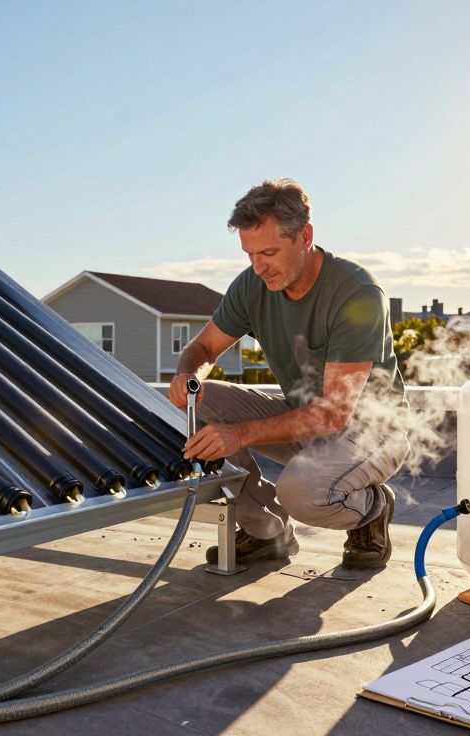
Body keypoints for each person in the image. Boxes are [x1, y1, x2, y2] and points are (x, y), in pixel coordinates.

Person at [169, 178, 406, 570]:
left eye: (269, 252)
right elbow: (204, 348)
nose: (258, 266)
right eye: (249, 254)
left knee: (301, 493)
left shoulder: (356, 293)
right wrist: (187, 377)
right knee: (198, 401)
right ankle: (266, 532)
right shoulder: (253, 285)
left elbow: (333, 413)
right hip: (305, 423)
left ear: (305, 236)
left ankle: (371, 508)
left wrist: (241, 434)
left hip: (372, 431)